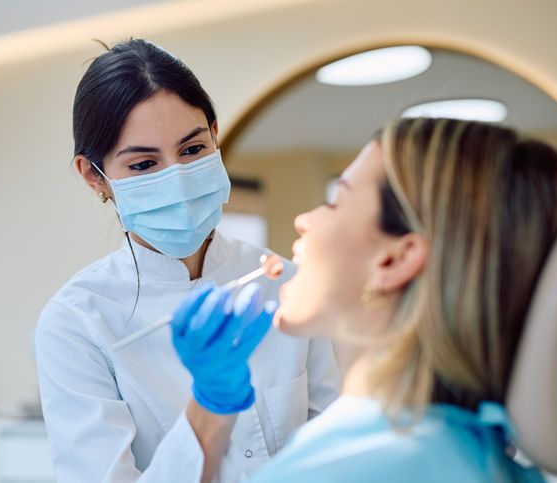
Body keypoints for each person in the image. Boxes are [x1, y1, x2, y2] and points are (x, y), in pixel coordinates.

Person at [170, 117, 557, 482]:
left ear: (395, 259)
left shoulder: (350, 469)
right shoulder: (469, 453)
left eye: (335, 202)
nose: (303, 220)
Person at [34, 38, 339, 483]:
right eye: (143, 165)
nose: (176, 179)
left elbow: (330, 449)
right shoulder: (78, 321)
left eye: (193, 150)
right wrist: (208, 406)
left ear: (215, 135)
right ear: (93, 176)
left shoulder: (283, 281)